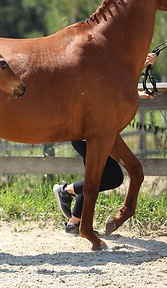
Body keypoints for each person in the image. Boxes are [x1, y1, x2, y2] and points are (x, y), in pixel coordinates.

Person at [53, 53, 158, 234]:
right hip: (88, 134)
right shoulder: (103, 65)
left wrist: (136, 92)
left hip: (95, 133)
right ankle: (66, 192)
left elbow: (113, 92)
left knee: (99, 176)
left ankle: (73, 222)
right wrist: (141, 64)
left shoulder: (106, 65)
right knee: (109, 177)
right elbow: (108, 89)